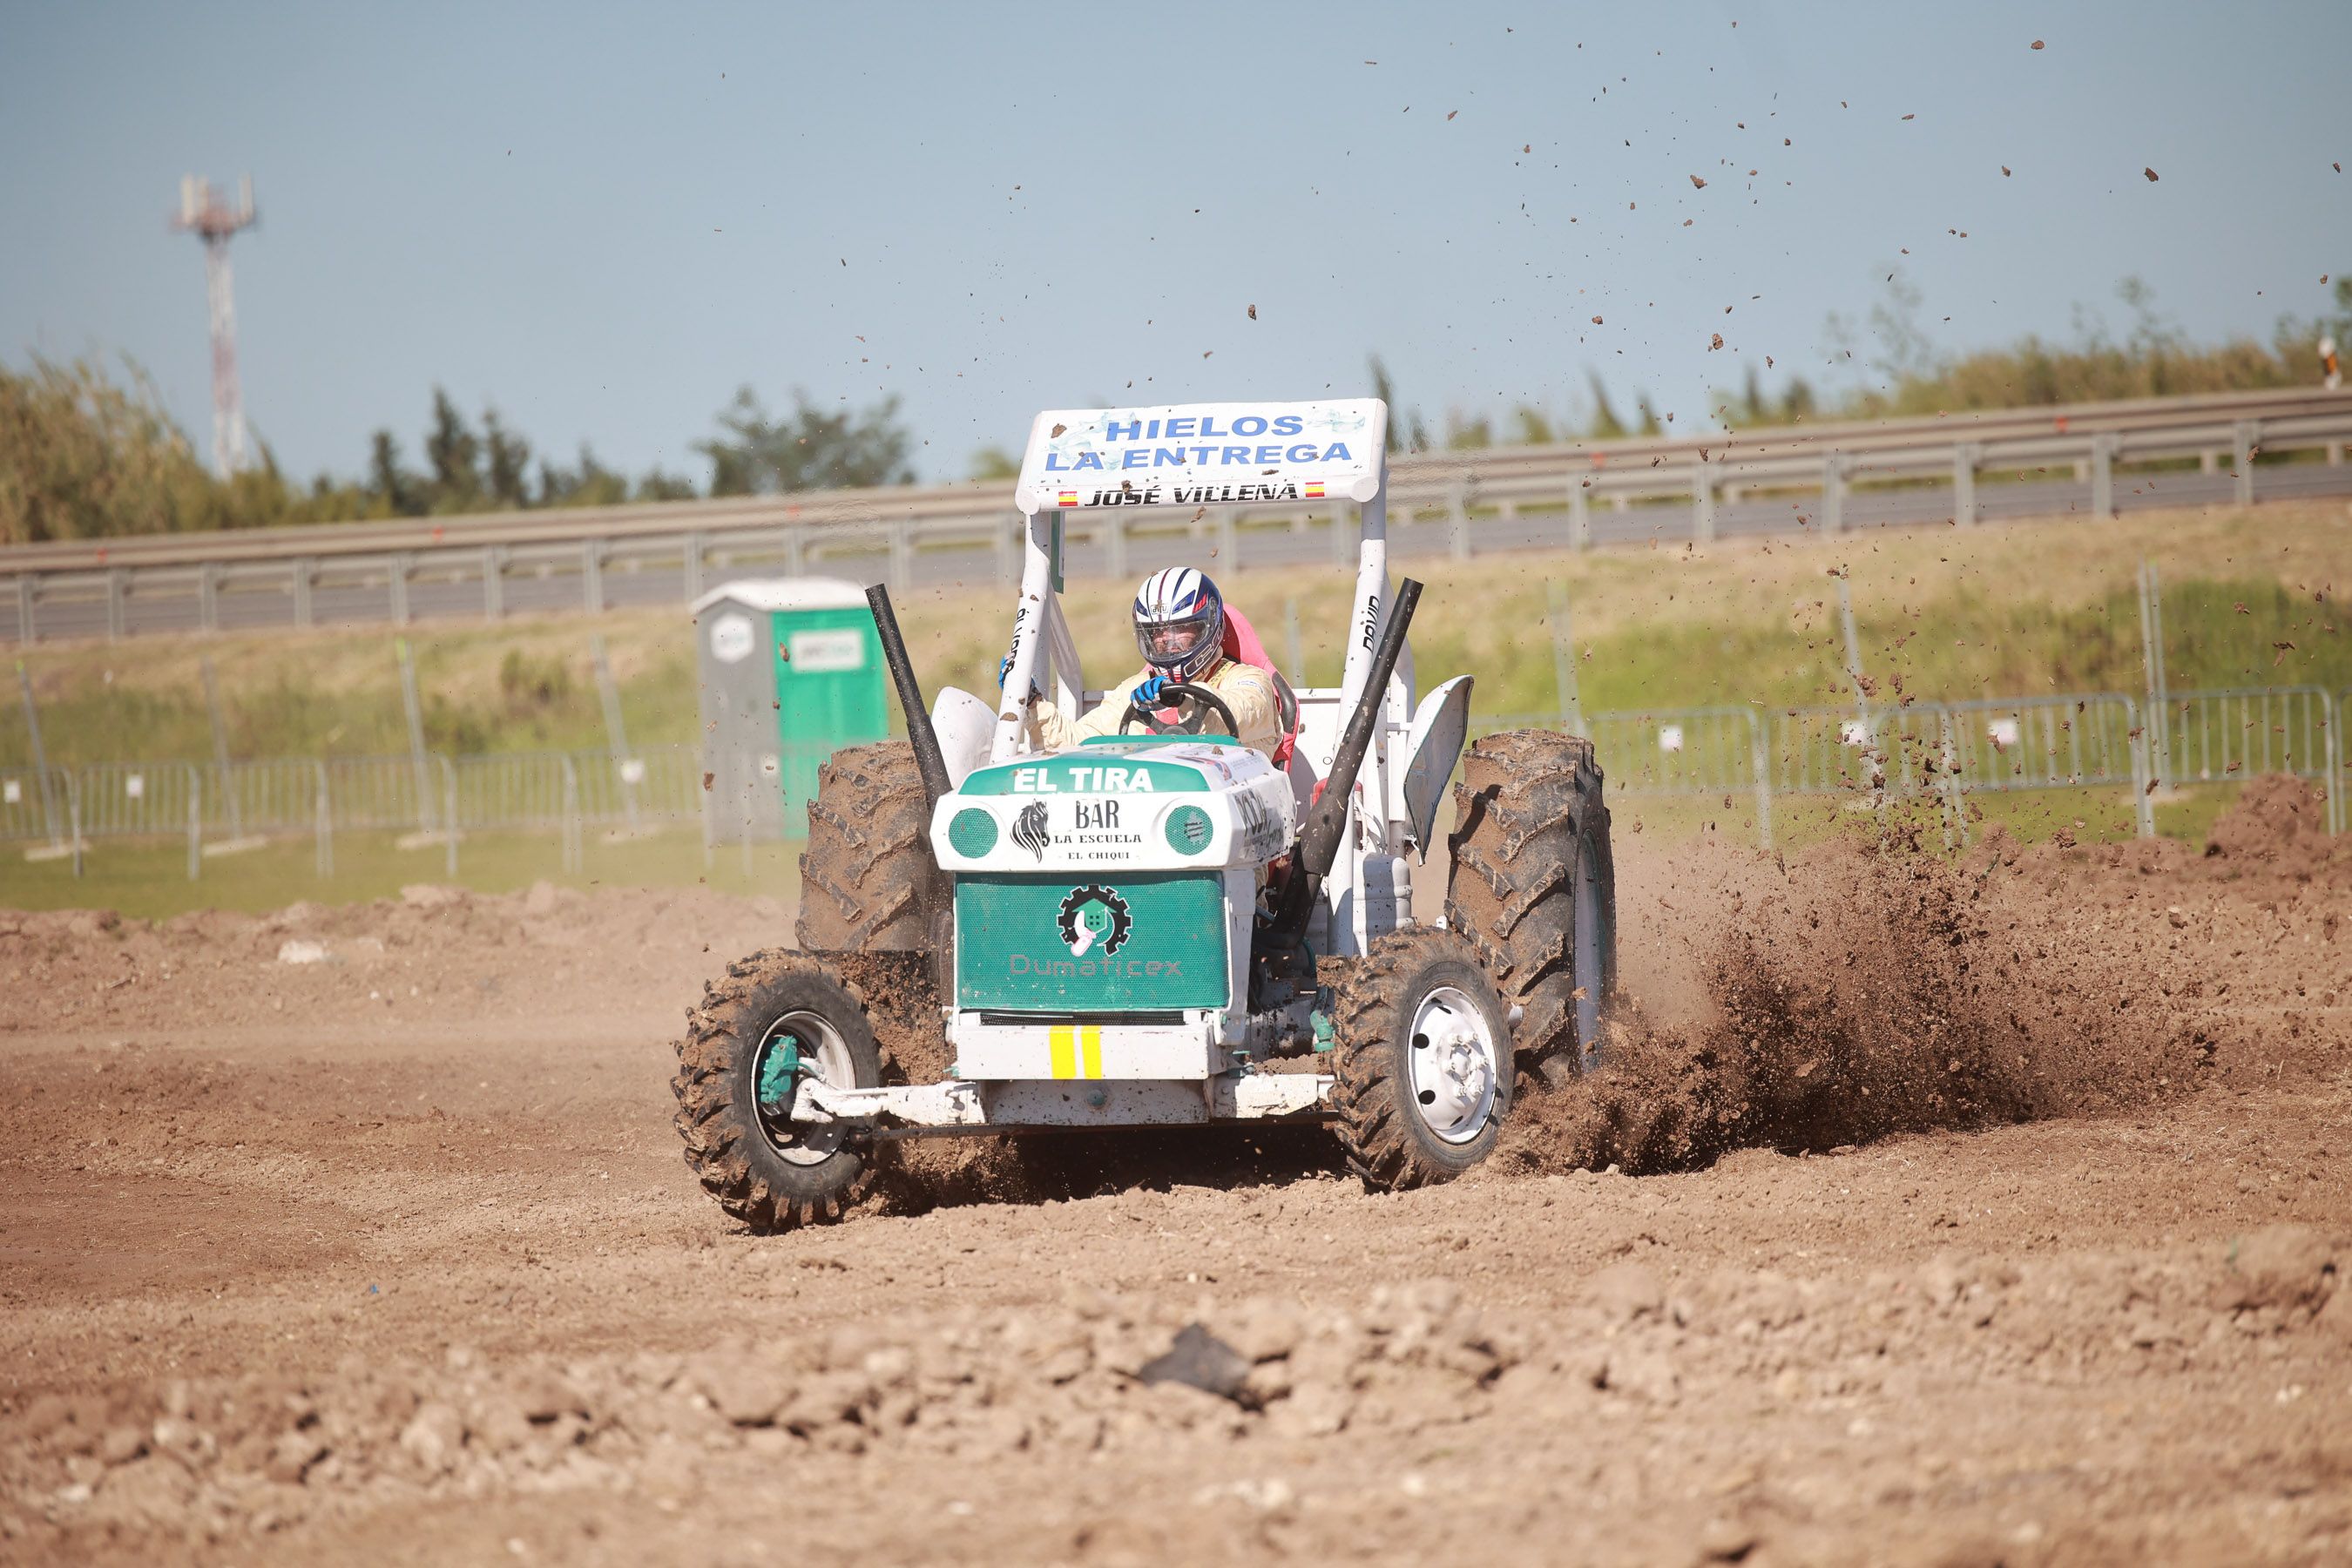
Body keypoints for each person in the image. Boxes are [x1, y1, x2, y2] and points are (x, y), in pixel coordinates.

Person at [1003, 568, 1283, 758]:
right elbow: (1074, 746)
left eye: (1180, 628)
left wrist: (1182, 698)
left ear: (1208, 627)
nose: (1167, 640)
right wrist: (1033, 703)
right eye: (1157, 632)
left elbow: (1242, 712)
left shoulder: (1248, 679)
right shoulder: (1135, 689)